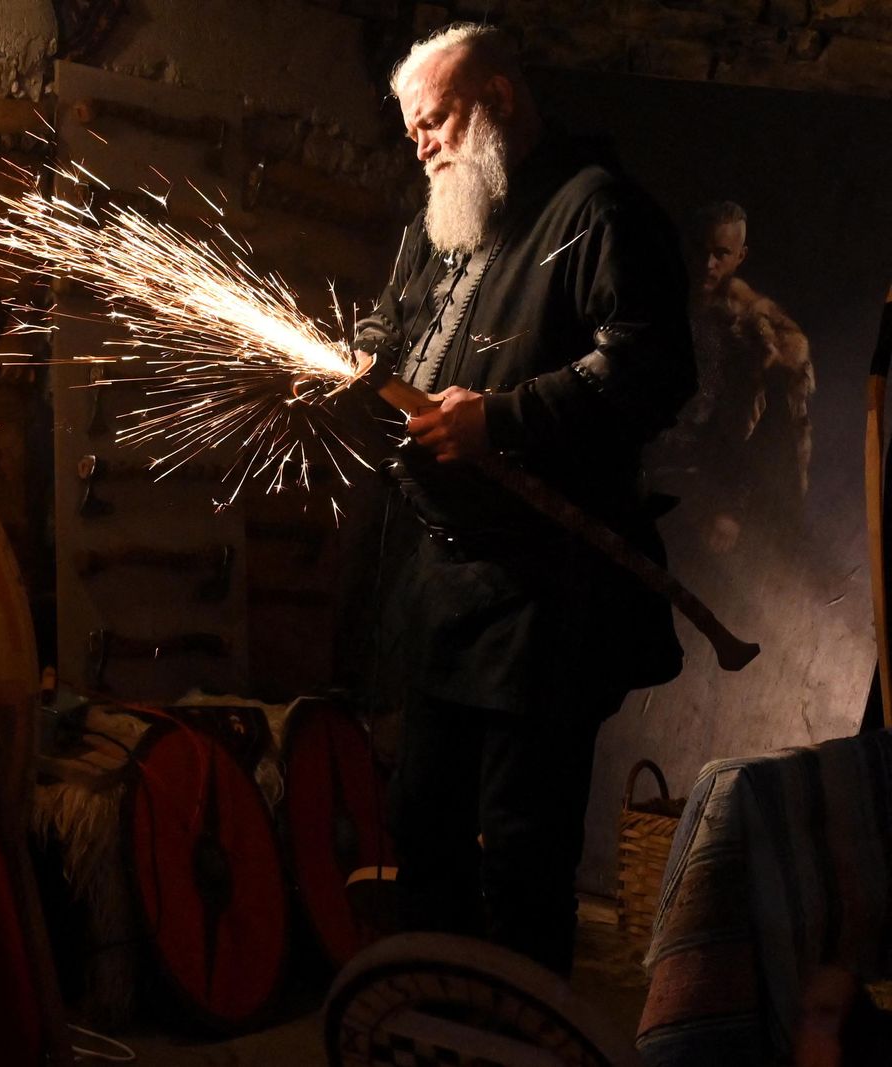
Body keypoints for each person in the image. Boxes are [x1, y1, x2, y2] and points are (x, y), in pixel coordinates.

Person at [346, 23, 697, 976]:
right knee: (421, 823)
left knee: (522, 848)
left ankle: (522, 1033)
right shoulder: (439, 220)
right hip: (445, 588)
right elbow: (397, 319)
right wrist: (354, 354)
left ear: (498, 100)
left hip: (549, 596)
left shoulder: (599, 211)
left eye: (436, 122)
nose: (420, 145)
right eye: (413, 129)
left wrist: (499, 420)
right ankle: (435, 1019)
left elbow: (652, 368)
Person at [656, 200, 814, 556]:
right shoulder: (664, 309)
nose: (708, 264)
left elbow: (761, 432)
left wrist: (730, 507)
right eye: (702, 250)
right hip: (657, 476)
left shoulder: (748, 337)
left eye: (721, 254)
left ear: (740, 256)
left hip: (710, 490)